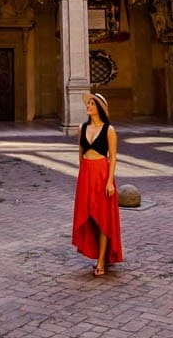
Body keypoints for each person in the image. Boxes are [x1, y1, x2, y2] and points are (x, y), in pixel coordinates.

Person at [72, 92, 123, 276]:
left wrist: (110, 182)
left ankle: (101, 260)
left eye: (92, 104)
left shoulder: (109, 130)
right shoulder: (82, 128)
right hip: (86, 173)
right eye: (89, 103)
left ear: (99, 108)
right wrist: (82, 174)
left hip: (102, 173)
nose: (88, 106)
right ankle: (96, 254)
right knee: (88, 215)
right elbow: (80, 152)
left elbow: (113, 156)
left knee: (103, 219)